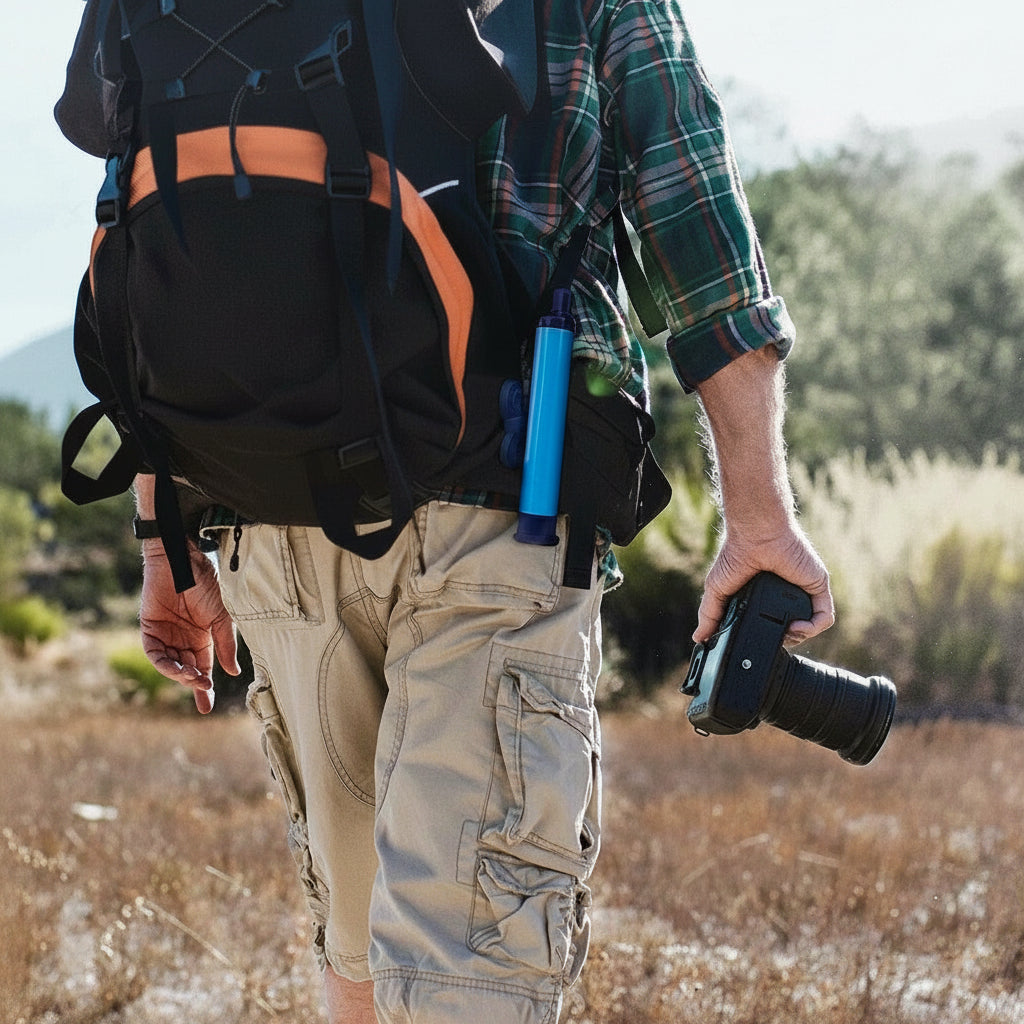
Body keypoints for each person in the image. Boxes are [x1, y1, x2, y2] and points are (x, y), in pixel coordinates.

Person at [68, 1, 834, 1021]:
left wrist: (165, 538)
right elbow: (702, 255)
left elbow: (163, 261)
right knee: (468, 978)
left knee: (361, 960)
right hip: (500, 514)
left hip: (277, 522)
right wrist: (761, 520)